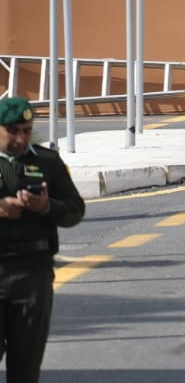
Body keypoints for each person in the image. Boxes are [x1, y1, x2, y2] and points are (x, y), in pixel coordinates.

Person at [0, 98, 84, 382]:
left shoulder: (47, 162)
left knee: (26, 364)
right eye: (12, 130)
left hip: (33, 275)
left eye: (26, 129)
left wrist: (47, 207)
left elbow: (75, 211)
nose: (20, 138)